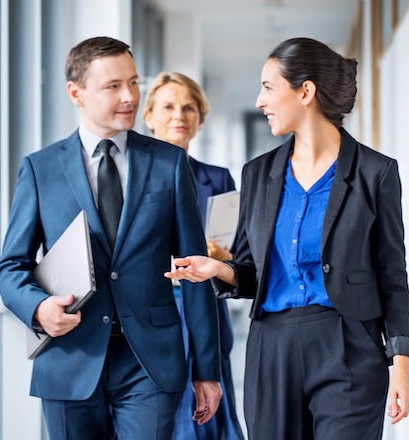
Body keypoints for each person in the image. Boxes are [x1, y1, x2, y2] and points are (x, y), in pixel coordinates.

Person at [165, 37, 409, 439]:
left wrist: (400, 363)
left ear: (305, 91)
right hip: (272, 348)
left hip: (348, 344)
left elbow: (392, 275)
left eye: (267, 87)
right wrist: (219, 269)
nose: (259, 101)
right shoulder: (257, 174)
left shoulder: (375, 172)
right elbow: (250, 272)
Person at [0, 36, 222, 440]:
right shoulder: (40, 169)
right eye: (113, 86)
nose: (129, 97)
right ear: (76, 93)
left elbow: (195, 270)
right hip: (70, 357)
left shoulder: (168, 163)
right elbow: (11, 267)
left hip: (149, 361)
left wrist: (208, 370)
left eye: (133, 83)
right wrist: (39, 309)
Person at [143, 71, 245, 440]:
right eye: (168, 106)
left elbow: (239, 254)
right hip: (152, 311)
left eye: (189, 108)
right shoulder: (130, 176)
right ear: (149, 115)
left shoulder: (217, 179)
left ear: (200, 120)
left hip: (204, 307)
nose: (179, 116)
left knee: (209, 411)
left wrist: (219, 257)